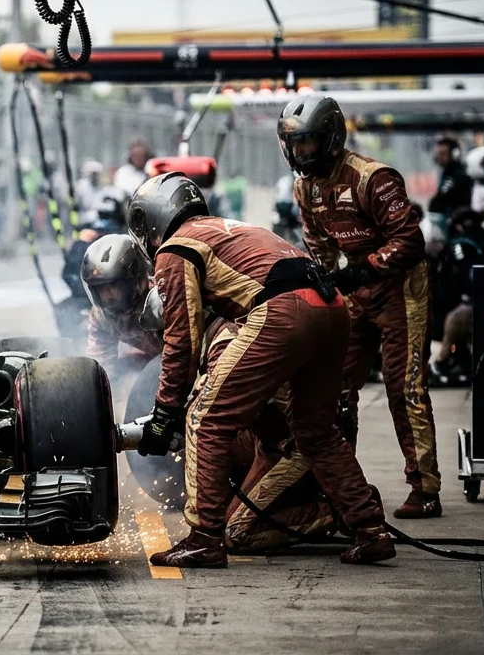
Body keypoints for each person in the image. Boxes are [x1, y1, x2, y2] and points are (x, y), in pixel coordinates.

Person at [129, 172, 391, 568]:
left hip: (285, 309)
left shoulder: (176, 248)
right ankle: (370, 528)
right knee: (315, 430)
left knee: (206, 418)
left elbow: (182, 342)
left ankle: (204, 538)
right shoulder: (229, 229)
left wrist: (166, 412)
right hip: (333, 307)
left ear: (149, 221)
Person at [281, 94, 443, 519]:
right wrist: (323, 282)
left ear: (331, 138)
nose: (301, 151)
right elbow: (320, 248)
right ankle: (340, 487)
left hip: (401, 289)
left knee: (403, 388)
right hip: (357, 291)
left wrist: (363, 271)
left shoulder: (374, 178)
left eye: (308, 142)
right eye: (295, 144)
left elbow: (410, 241)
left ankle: (425, 488)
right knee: (333, 388)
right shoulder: (304, 187)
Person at [80, 233, 162, 380]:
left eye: (114, 285)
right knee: (123, 368)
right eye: (100, 288)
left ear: (138, 280)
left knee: (153, 370)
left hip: (189, 360)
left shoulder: (161, 300)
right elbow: (101, 361)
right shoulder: (102, 316)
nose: (107, 295)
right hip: (156, 357)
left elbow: (183, 349)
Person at [429, 136, 473, 219]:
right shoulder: (446, 172)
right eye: (438, 154)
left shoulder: (458, 174)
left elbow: (439, 200)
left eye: (442, 154)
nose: (438, 157)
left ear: (454, 155)